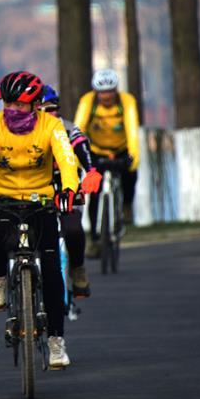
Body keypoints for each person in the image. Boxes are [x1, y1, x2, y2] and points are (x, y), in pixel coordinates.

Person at [0, 72, 78, 368]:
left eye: (21, 104)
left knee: (54, 272)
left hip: (41, 199)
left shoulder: (52, 126)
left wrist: (69, 190)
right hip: (4, 197)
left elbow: (67, 161)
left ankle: (56, 341)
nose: (14, 109)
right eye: (9, 103)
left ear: (36, 105)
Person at [38, 85, 100, 298]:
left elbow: (82, 146)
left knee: (73, 228)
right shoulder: (21, 132)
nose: (48, 114)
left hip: (66, 187)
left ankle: (78, 268)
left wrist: (91, 171)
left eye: (53, 108)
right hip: (34, 190)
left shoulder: (68, 128)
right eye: (42, 109)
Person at [74, 68, 139, 257]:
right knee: (94, 192)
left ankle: (127, 206)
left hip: (121, 148)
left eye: (110, 91)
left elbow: (133, 130)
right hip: (96, 150)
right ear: (95, 91)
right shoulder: (88, 102)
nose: (106, 96)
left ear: (116, 90)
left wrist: (133, 159)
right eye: (102, 92)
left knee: (131, 175)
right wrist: (79, 159)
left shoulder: (126, 101)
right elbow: (78, 130)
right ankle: (95, 239)